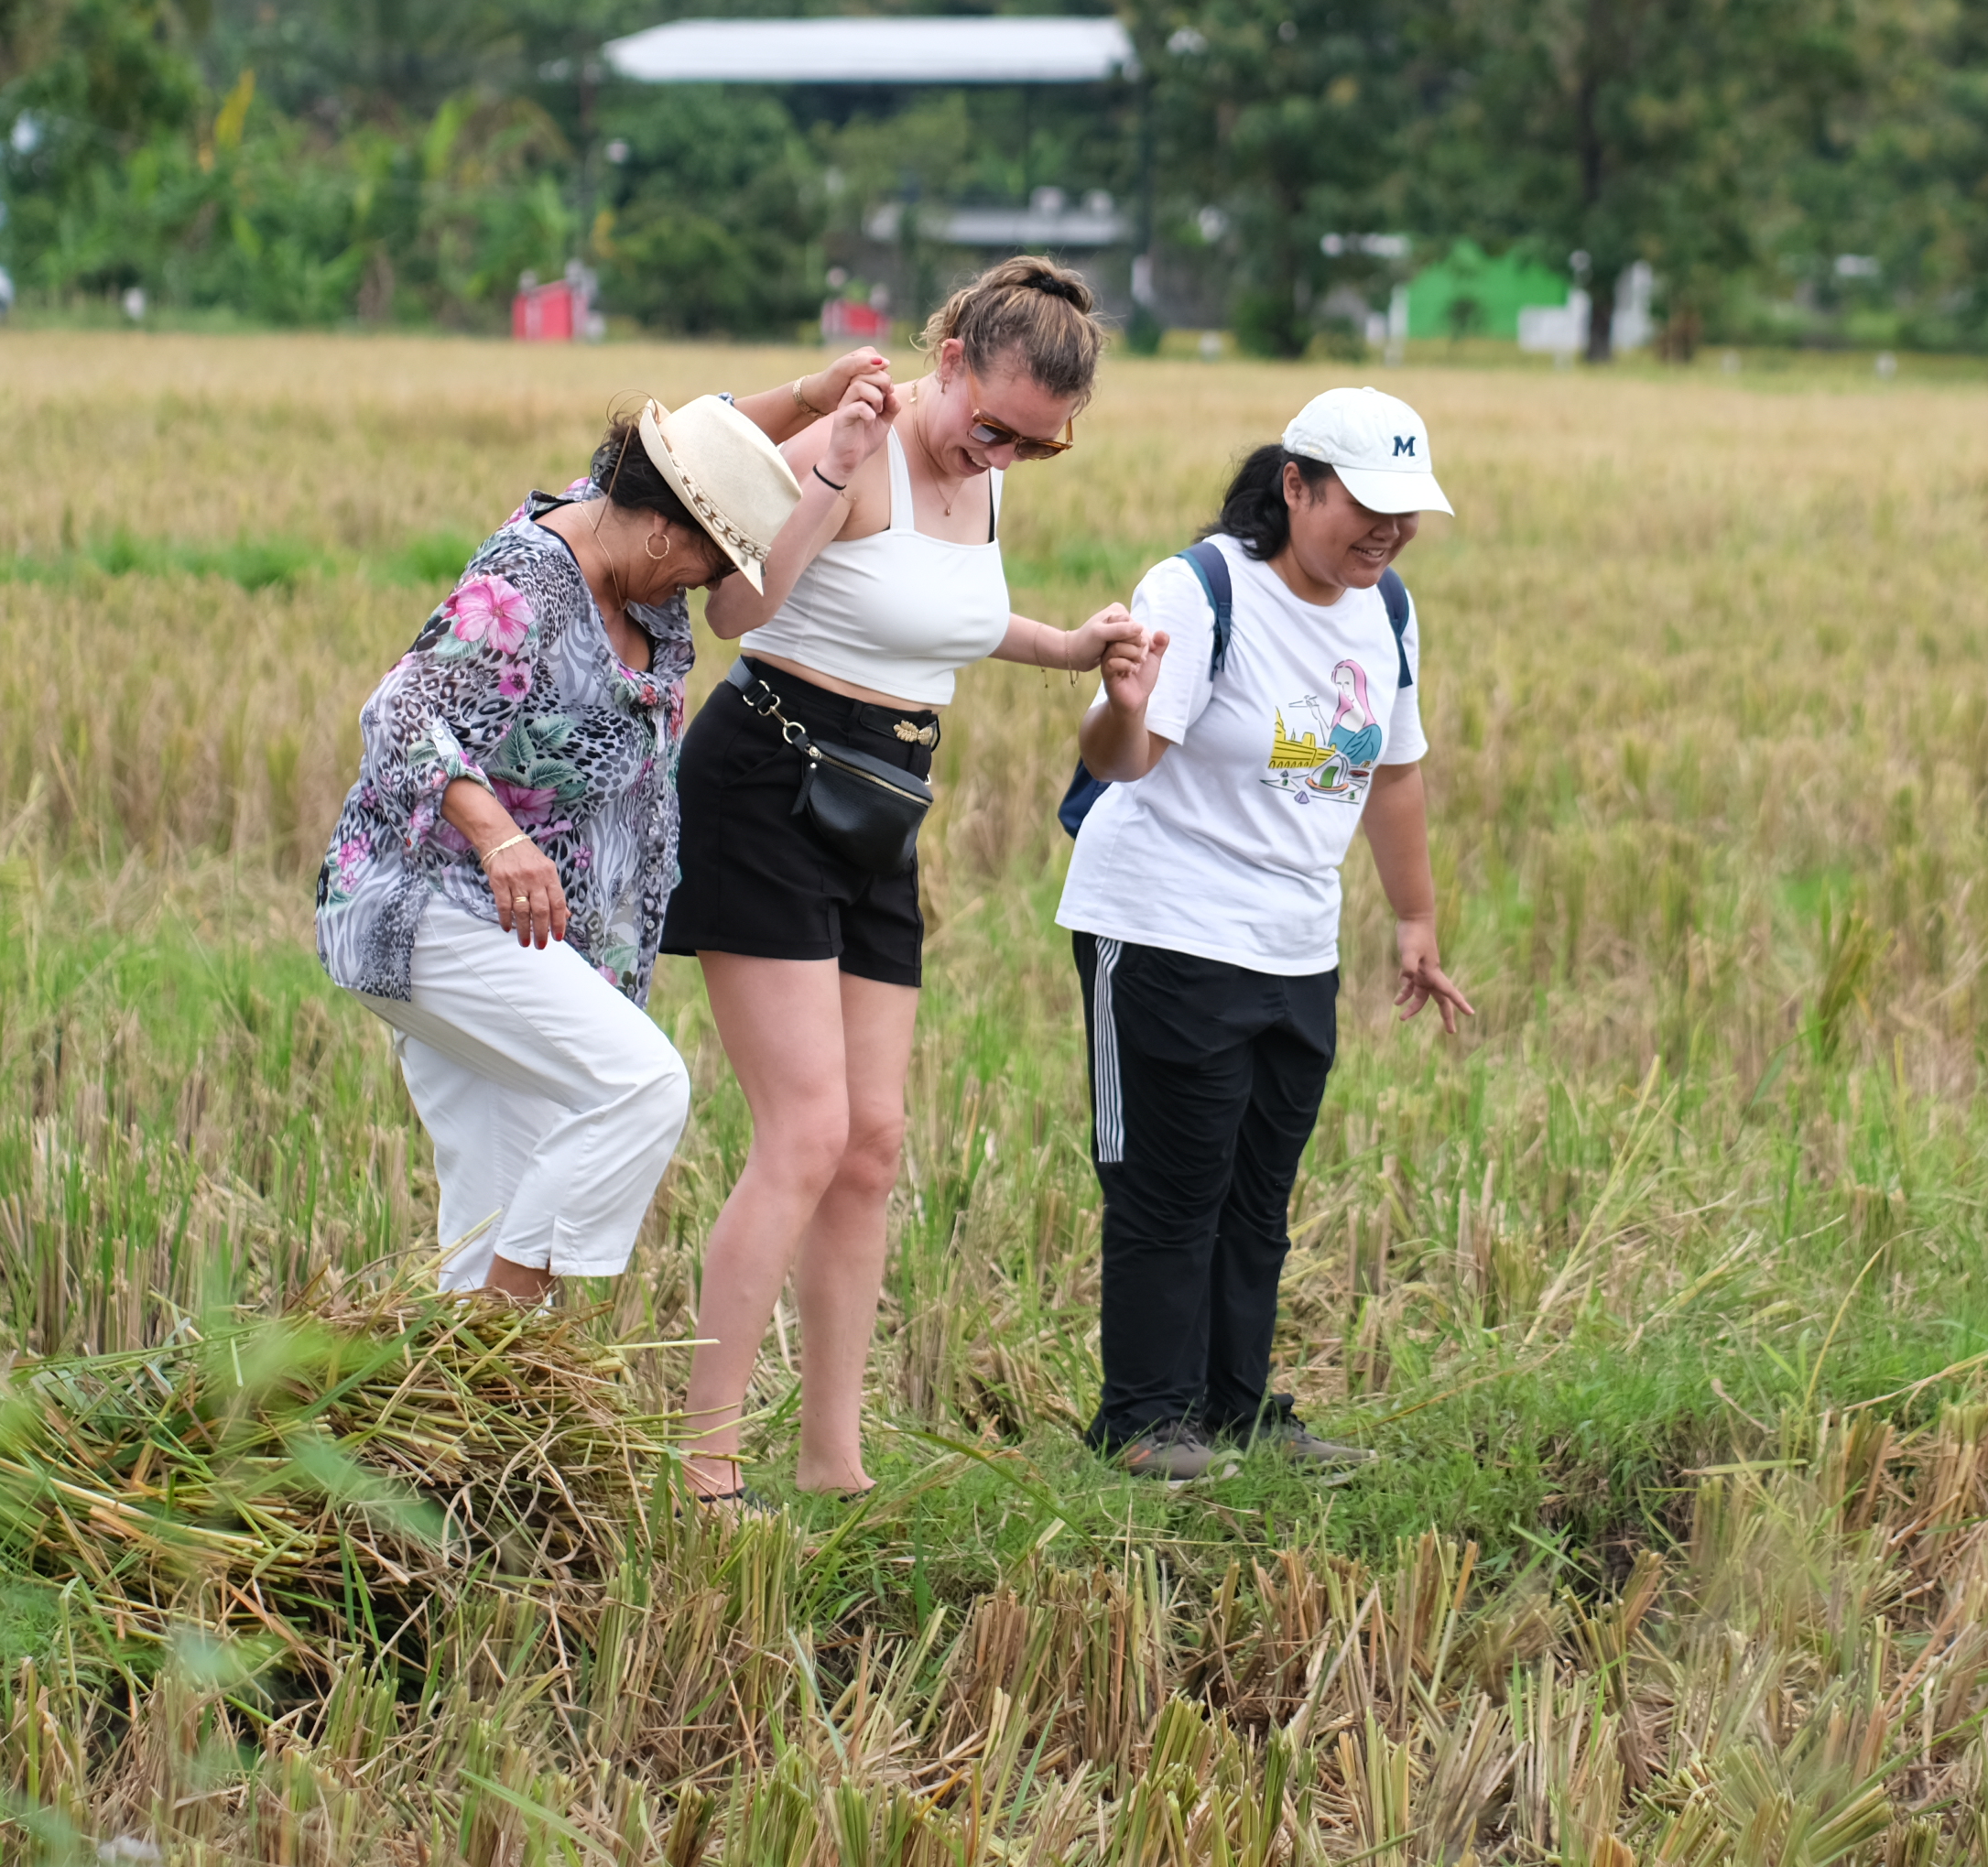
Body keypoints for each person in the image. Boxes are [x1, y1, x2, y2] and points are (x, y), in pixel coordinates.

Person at [667, 255, 1142, 1504]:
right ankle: (706, 1468)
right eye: (995, 426)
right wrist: (826, 471)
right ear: (950, 365)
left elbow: (946, 618)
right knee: (806, 1133)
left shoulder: (986, 476)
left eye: (1043, 448)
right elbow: (734, 609)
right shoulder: (856, 439)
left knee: (873, 1144)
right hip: (768, 780)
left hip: (881, 805)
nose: (1008, 457)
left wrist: (1070, 647)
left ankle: (834, 1463)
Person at [310, 366, 893, 1308]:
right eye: (711, 559)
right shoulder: (530, 580)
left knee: (498, 1201)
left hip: (530, 934)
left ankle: (458, 1418)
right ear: (666, 530)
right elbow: (399, 710)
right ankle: (498, 1353)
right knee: (641, 1085)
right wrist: (501, 840)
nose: (708, 585)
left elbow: (700, 446)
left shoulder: (631, 539)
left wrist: (819, 395)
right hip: (429, 906)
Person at [1057, 385, 1476, 1482]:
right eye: (1363, 505)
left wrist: (1416, 919)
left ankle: (1237, 1411)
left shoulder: (1387, 612)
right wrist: (1117, 699)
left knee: (1255, 1195)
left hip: (1297, 944)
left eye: (1405, 512)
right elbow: (1122, 758)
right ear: (1296, 485)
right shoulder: (1200, 590)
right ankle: (1145, 1420)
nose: (1385, 532)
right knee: (1167, 1182)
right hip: (1162, 926)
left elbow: (1391, 769)